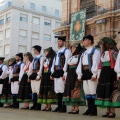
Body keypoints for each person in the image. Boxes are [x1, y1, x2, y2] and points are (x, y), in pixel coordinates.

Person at [76, 35, 100, 116]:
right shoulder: (84, 52)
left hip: (91, 72)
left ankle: (94, 110)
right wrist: (79, 74)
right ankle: (89, 109)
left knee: (92, 91)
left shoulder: (95, 51)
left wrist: (94, 74)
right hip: (85, 72)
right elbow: (80, 64)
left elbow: (96, 62)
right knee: (87, 91)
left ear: (90, 41)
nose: (84, 41)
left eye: (85, 40)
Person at [96, 37, 120, 118]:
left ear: (107, 44)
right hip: (104, 72)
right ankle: (107, 110)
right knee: (105, 90)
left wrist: (117, 74)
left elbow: (117, 63)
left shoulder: (114, 52)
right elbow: (100, 64)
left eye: (103, 43)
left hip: (111, 72)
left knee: (110, 90)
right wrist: (99, 74)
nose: (101, 45)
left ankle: (112, 112)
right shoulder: (103, 53)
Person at [63, 43, 86, 114]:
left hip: (75, 73)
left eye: (74, 48)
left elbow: (80, 66)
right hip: (70, 73)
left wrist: (79, 75)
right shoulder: (71, 57)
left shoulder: (79, 56)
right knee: (70, 89)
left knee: (75, 89)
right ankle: (73, 108)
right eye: (72, 48)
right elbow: (67, 66)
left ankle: (76, 109)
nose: (72, 49)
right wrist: (65, 74)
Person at [50, 36, 72, 112]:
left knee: (62, 89)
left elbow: (66, 62)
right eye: (58, 41)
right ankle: (59, 106)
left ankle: (63, 106)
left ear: (64, 42)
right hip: (56, 71)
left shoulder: (67, 51)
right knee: (57, 89)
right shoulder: (58, 52)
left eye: (60, 41)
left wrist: (65, 73)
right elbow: (54, 63)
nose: (58, 43)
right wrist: (52, 73)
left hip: (62, 71)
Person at [38, 47, 56, 111]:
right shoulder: (45, 59)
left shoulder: (52, 59)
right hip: (44, 75)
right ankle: (46, 105)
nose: (45, 53)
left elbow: (52, 67)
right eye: (45, 52)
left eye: (47, 52)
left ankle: (49, 106)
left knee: (48, 89)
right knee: (44, 89)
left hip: (49, 75)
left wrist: (52, 74)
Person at [29, 45, 44, 110]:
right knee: (33, 90)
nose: (34, 51)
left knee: (38, 90)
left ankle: (38, 105)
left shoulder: (41, 57)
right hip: (33, 74)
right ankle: (34, 104)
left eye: (34, 49)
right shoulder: (34, 58)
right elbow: (31, 67)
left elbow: (41, 67)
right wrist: (29, 75)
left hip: (37, 74)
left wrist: (39, 75)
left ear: (37, 50)